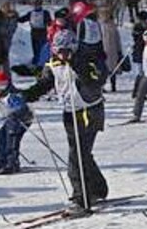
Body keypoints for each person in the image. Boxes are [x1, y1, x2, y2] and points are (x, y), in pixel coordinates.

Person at [21, 30, 108, 215]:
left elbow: (97, 80)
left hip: (89, 111)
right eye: (58, 51)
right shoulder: (53, 63)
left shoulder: (86, 58)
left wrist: (78, 66)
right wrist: (27, 95)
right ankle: (98, 188)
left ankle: (81, 199)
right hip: (70, 112)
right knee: (81, 152)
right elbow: (44, 84)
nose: (62, 55)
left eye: (66, 51)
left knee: (77, 156)